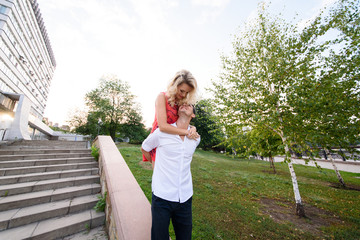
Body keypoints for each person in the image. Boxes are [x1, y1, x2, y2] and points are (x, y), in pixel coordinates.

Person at [141, 103, 200, 240]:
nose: (185, 104)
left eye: (189, 104)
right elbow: (145, 148)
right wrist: (156, 164)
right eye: (182, 104)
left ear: (193, 115)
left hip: (185, 197)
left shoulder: (196, 138)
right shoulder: (162, 132)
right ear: (177, 111)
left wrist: (193, 129)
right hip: (162, 196)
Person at [142, 69, 199, 169]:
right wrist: (187, 132)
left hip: (173, 142)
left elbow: (183, 121)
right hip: (158, 141)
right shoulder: (162, 97)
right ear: (174, 85)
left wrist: (192, 128)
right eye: (181, 91)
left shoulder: (181, 102)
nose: (184, 95)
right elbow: (163, 126)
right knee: (159, 174)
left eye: (187, 92)